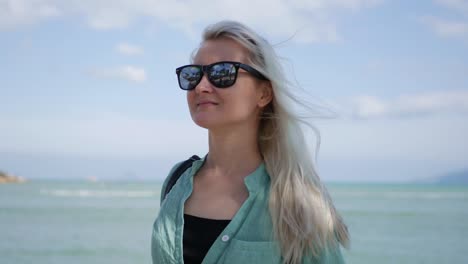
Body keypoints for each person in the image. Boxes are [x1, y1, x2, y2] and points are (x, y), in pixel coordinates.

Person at [151, 20, 349, 264]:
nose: (201, 86)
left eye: (222, 72)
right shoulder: (177, 181)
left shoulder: (298, 200)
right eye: (193, 75)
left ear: (264, 93)